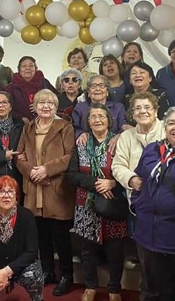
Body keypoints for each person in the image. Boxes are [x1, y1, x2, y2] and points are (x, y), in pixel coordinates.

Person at [112, 93, 175, 301]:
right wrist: (140, 207)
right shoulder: (153, 150)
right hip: (149, 237)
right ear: (165, 127)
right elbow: (141, 181)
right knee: (154, 291)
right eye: (171, 123)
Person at [15, 89, 75, 296]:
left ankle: (67, 276)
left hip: (55, 188)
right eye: (41, 103)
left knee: (61, 237)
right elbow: (19, 155)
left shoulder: (65, 127)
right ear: (35, 106)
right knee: (41, 236)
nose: (46, 106)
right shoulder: (28, 128)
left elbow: (70, 156)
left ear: (56, 106)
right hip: (33, 189)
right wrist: (31, 172)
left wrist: (46, 170)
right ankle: (48, 271)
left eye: (50, 102)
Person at [66, 103, 128, 301]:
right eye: (93, 117)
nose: (97, 120)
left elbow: (129, 171)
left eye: (101, 116)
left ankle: (114, 289)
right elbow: (72, 174)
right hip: (85, 205)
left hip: (113, 203)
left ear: (109, 120)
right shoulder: (81, 143)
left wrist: (112, 183)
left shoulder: (120, 143)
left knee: (115, 250)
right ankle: (90, 285)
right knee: (87, 250)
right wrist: (96, 183)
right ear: (88, 122)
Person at [72, 75, 126, 150]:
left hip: (113, 147)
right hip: (86, 147)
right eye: (93, 86)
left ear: (107, 91)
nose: (98, 89)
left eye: (101, 85)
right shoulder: (80, 108)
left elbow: (123, 126)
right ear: (88, 92)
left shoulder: (118, 107)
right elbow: (73, 127)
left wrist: (119, 136)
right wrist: (80, 133)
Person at [5, 56, 57, 122]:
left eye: (31, 66)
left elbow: (56, 99)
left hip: (45, 121)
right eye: (24, 66)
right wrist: (20, 118)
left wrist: (42, 105)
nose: (28, 68)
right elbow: (6, 107)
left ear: (35, 69)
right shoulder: (11, 87)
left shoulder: (44, 82)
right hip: (20, 124)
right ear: (19, 70)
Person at [123, 62, 169, 127]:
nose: (137, 75)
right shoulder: (127, 97)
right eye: (134, 73)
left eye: (142, 72)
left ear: (150, 78)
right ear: (130, 80)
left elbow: (164, 120)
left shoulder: (160, 95)